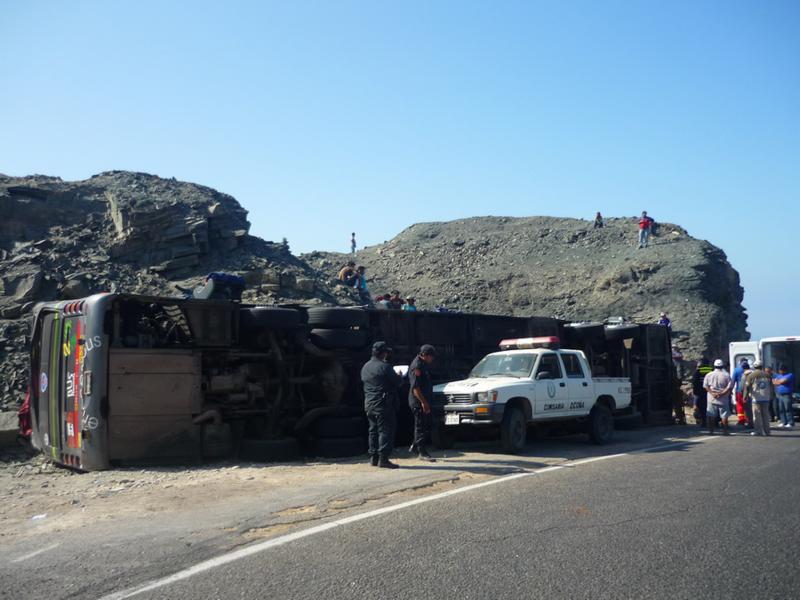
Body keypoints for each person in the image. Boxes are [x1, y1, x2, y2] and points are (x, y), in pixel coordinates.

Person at [361, 341, 403, 468]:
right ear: (383, 353)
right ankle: (383, 459)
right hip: (383, 404)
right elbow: (397, 382)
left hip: (369, 403)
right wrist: (399, 376)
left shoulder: (365, 367)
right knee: (386, 431)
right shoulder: (385, 367)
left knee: (373, 431)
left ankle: (373, 458)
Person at [408, 344, 437, 461]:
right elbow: (416, 388)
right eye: (431, 357)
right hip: (418, 401)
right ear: (425, 355)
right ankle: (422, 452)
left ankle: (415, 446)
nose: (432, 359)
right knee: (420, 426)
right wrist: (424, 403)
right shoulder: (417, 366)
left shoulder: (423, 364)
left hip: (423, 400)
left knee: (424, 424)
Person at [743, 360, 774, 436]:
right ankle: (767, 431)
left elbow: (747, 387)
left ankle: (758, 431)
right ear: (761, 366)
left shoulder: (751, 375)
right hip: (766, 398)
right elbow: (771, 387)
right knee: (766, 416)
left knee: (757, 416)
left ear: (754, 366)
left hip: (756, 398)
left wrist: (745, 396)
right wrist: (772, 396)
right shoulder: (768, 375)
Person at [703, 359, 733, 435]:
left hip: (711, 398)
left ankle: (711, 431)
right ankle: (725, 431)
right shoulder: (726, 375)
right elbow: (729, 387)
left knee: (711, 415)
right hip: (723, 399)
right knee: (724, 415)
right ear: (722, 366)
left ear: (714, 366)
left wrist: (712, 393)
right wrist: (721, 393)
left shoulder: (709, 374)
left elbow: (706, 386)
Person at [732, 358, 753, 429]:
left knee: (740, 406)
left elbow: (733, 381)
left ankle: (741, 420)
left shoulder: (736, 370)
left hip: (739, 391)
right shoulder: (751, 371)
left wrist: (731, 390)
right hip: (749, 391)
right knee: (748, 407)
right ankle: (748, 419)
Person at [692, 358, 711, 427]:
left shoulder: (698, 372)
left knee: (700, 408)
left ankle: (703, 422)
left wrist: (695, 393)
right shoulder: (711, 371)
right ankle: (714, 422)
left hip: (700, 393)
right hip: (710, 393)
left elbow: (694, 383)